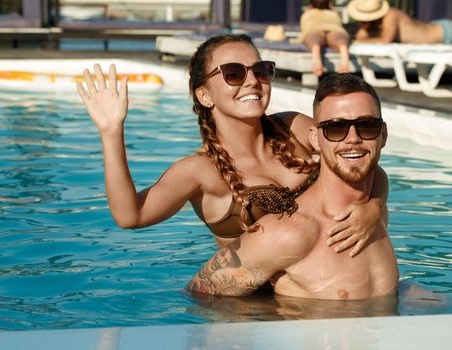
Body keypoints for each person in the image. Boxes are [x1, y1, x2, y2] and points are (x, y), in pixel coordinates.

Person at [76, 34, 387, 257]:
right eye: (234, 73)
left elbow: (361, 160)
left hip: (328, 286)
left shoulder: (293, 128)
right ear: (205, 95)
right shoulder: (201, 171)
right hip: (250, 311)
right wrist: (111, 130)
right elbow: (130, 216)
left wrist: (373, 208)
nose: (252, 81)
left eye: (261, 70)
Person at [186, 73, 399, 300]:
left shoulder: (375, 213)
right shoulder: (288, 234)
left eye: (367, 125)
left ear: (383, 134)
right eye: (335, 129)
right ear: (315, 139)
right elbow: (199, 296)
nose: (353, 139)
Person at [348, 0, 452, 44]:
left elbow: (385, 41)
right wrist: (365, 26)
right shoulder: (376, 23)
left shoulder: (391, 15)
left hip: (444, 32)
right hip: (438, 30)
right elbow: (359, 37)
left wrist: (358, 40)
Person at [299, 0, 350, 76]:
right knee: (339, 37)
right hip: (334, 29)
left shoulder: (308, 14)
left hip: (314, 29)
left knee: (313, 37)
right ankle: (344, 51)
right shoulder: (333, 14)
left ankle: (315, 51)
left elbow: (305, 30)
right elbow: (339, 27)